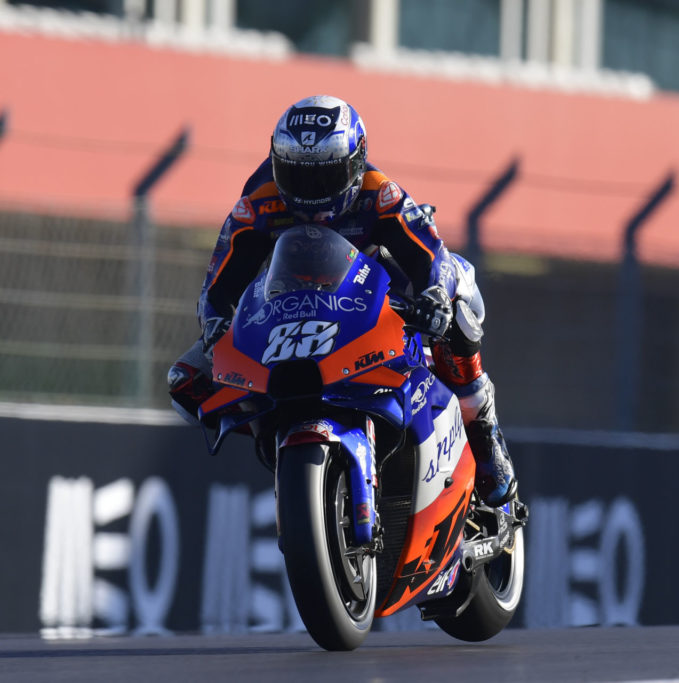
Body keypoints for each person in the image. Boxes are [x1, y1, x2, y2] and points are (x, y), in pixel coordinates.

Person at [168, 94, 516, 506]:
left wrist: (434, 297)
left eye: (326, 178)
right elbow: (217, 289)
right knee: (185, 383)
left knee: (459, 291)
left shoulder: (380, 194)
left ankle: (483, 427)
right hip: (290, 309)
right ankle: (283, 436)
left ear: (356, 163)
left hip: (380, 292)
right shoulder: (256, 205)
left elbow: (431, 256)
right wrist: (217, 329)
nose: (311, 196)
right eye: (298, 178)